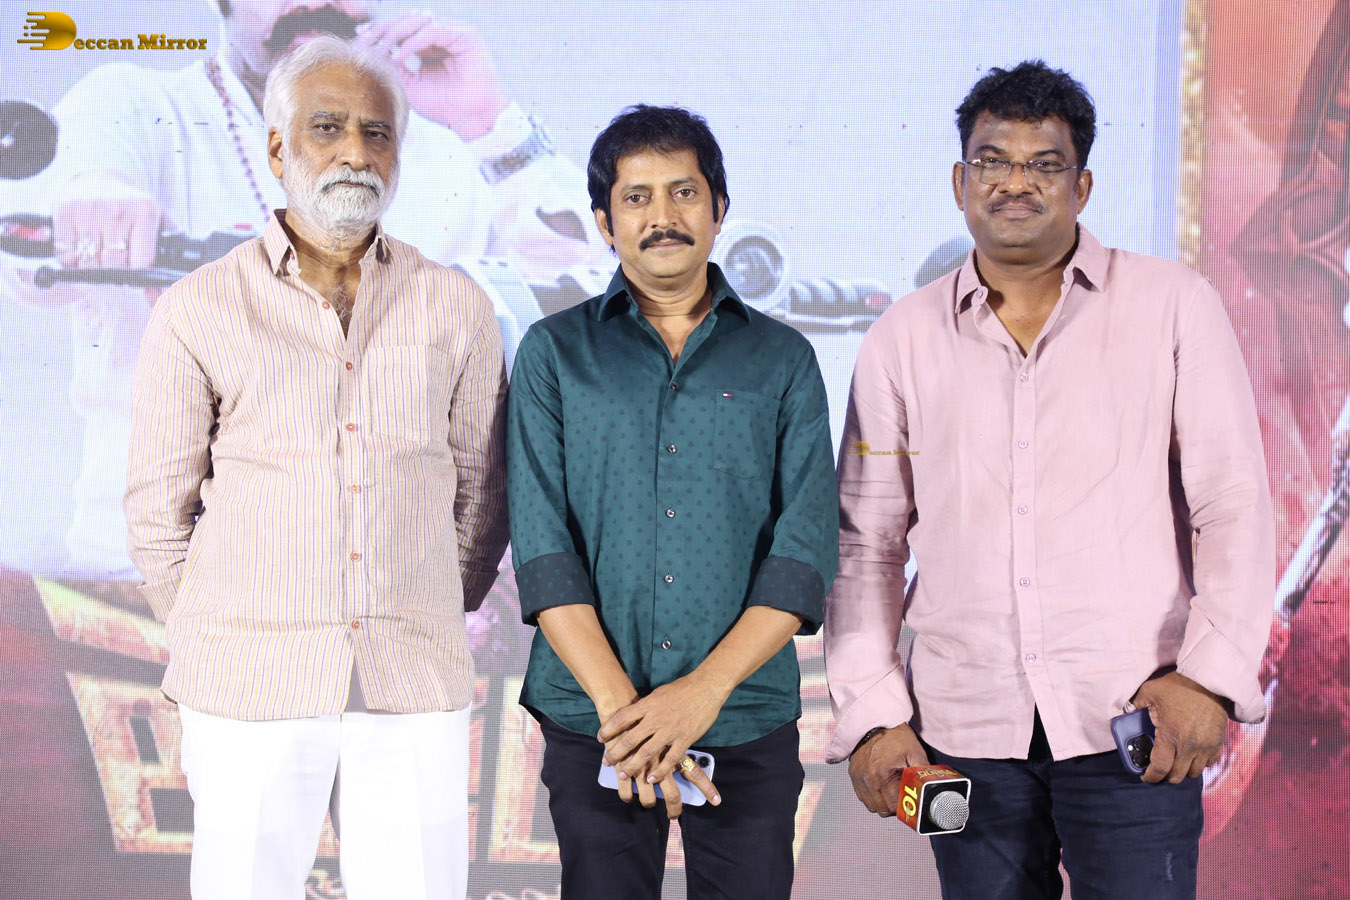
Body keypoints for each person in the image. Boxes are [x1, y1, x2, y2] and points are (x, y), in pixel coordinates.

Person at [824, 60, 1275, 900]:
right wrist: (874, 714)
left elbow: (1234, 506)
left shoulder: (1173, 305)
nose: (1015, 183)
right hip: (961, 736)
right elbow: (866, 546)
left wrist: (1208, 681)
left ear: (1083, 185)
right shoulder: (901, 338)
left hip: (1136, 726)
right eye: (993, 161)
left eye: (1043, 163)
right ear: (960, 181)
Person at [9, 0, 605, 579]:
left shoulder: (435, 152)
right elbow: (26, 241)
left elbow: (596, 307)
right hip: (163, 579)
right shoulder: (136, 107)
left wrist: (488, 126)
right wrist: (95, 199)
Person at [123, 37, 508, 899]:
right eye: (327, 128)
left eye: (377, 133)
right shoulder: (200, 307)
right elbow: (157, 512)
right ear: (277, 148)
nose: (355, 153)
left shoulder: (455, 305)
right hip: (246, 685)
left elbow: (483, 498)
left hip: (411, 679)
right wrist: (219, 630)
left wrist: (419, 603)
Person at [506, 104, 838, 899]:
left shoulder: (784, 360)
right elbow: (544, 550)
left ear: (719, 208)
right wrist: (626, 717)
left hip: (744, 713)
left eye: (684, 192)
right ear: (604, 221)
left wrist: (699, 695)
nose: (663, 216)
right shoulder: (554, 354)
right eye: (637, 197)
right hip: (595, 722)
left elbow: (802, 555)